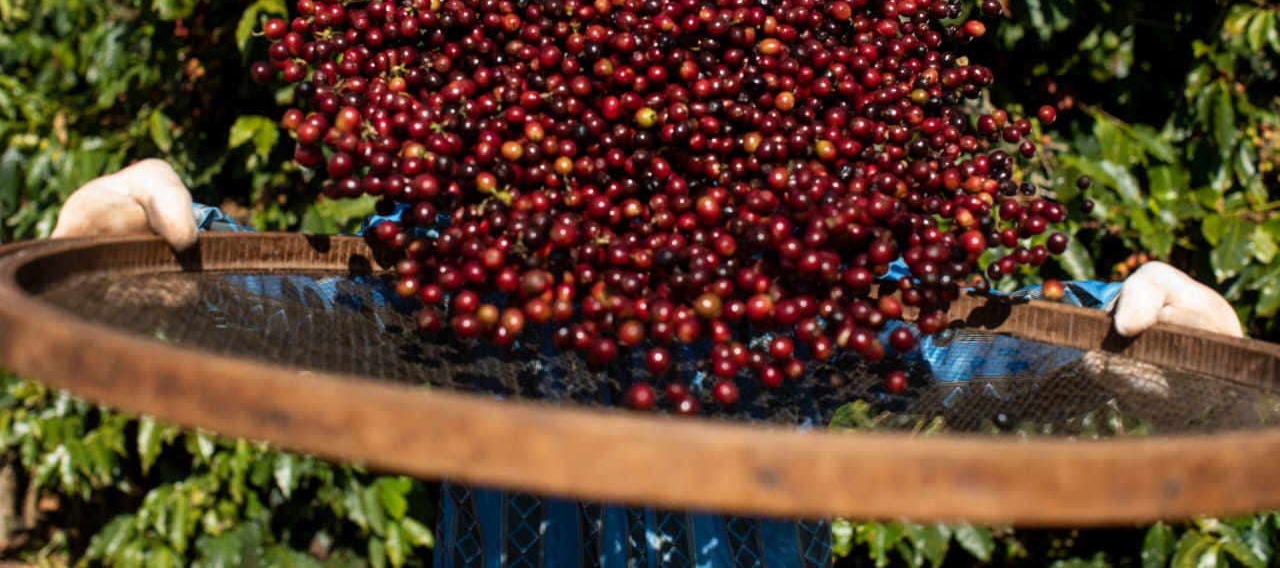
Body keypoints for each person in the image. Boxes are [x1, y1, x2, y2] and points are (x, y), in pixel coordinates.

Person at [51, 159, 1244, 567]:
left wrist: (1150, 324)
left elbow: (987, 339)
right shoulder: (469, 254)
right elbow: (314, 300)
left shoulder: (808, 276)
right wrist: (145, 247)